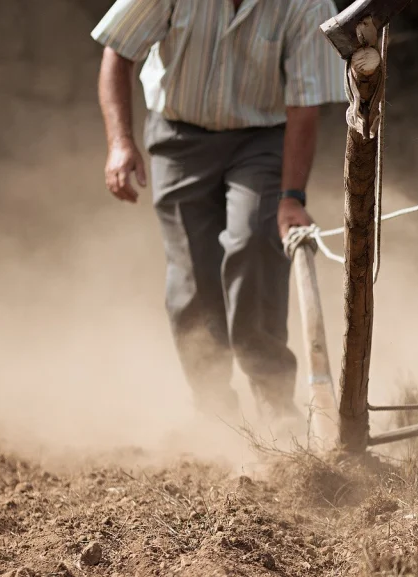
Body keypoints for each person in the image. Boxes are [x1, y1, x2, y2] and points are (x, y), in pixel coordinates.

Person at [91, 0, 347, 427]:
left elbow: (305, 106)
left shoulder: (306, 4)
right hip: (178, 136)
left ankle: (273, 402)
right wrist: (120, 142)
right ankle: (213, 409)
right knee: (192, 278)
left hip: (259, 140)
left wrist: (290, 197)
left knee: (252, 242)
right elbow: (117, 52)